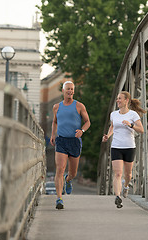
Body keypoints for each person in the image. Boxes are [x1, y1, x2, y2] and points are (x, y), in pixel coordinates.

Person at [50, 81, 91, 209]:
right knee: (60, 169)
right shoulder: (56, 107)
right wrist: (53, 135)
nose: (70, 91)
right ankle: (59, 199)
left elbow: (88, 122)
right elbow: (55, 122)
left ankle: (68, 180)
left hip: (74, 141)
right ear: (63, 91)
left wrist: (82, 131)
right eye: (68, 89)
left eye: (72, 89)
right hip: (61, 140)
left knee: (72, 172)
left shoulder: (79, 106)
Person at [102, 91, 146, 208]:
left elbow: (141, 130)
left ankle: (126, 186)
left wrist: (131, 125)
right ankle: (118, 197)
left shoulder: (133, 115)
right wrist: (108, 135)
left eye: (120, 99)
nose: (117, 101)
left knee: (128, 174)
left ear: (126, 100)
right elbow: (112, 127)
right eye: (117, 99)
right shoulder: (114, 114)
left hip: (129, 147)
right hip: (116, 146)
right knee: (117, 173)